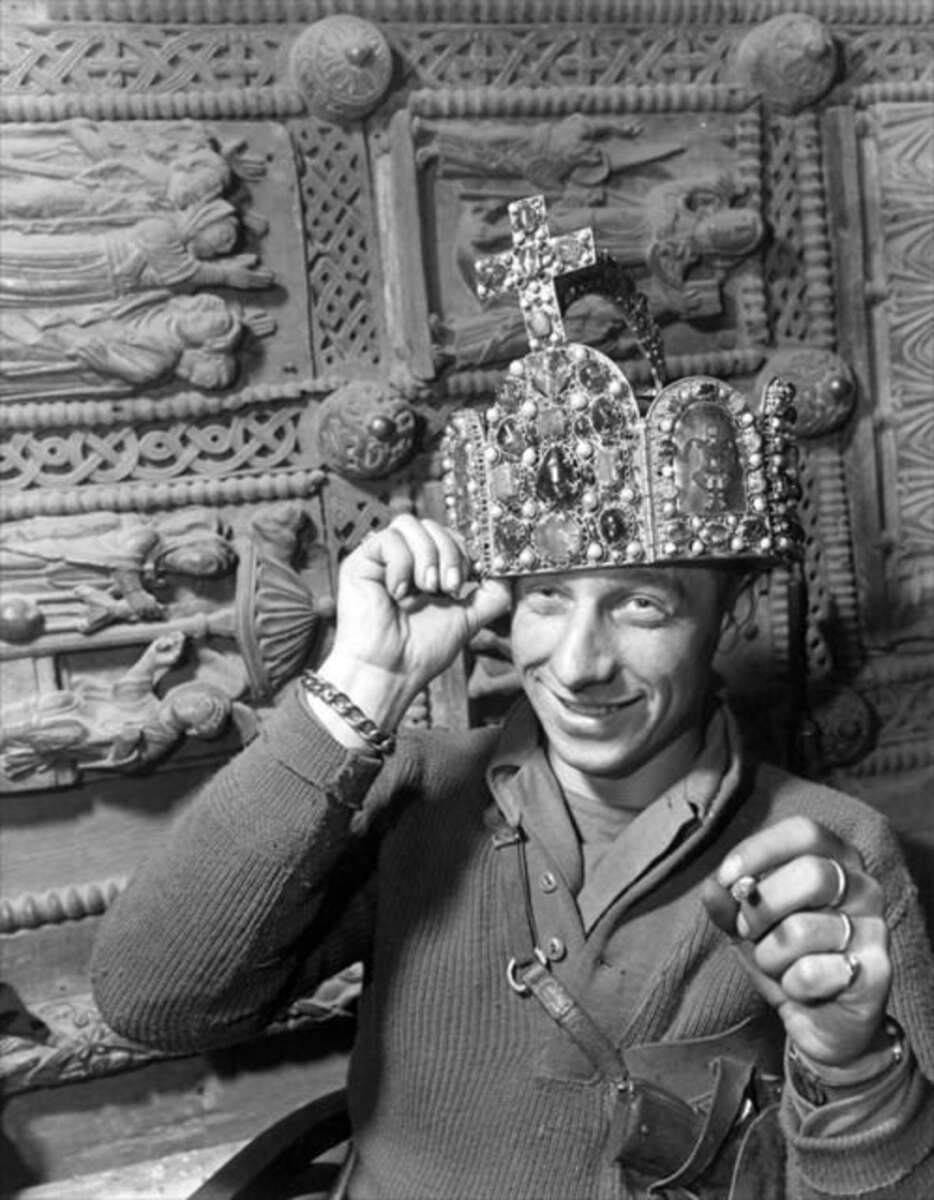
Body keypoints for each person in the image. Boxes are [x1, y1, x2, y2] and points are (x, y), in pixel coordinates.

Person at [91, 199, 934, 1199]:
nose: (577, 663)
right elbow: (152, 1001)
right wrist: (358, 689)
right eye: (543, 602)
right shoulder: (415, 787)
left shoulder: (831, 850)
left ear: (724, 618)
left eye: (640, 604)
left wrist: (849, 1066)